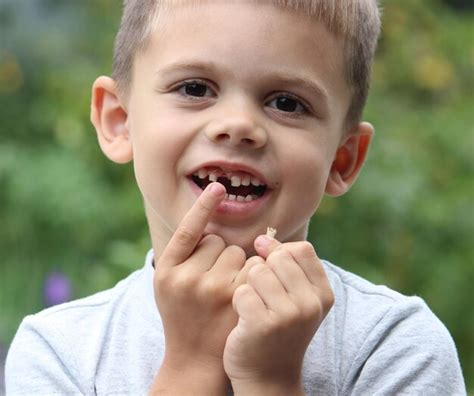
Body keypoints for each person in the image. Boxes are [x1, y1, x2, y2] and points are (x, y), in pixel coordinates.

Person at [5, 1, 466, 394]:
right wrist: (191, 367)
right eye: (195, 89)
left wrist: (271, 381)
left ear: (341, 160)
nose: (239, 124)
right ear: (119, 120)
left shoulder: (394, 346)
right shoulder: (57, 352)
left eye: (286, 102)